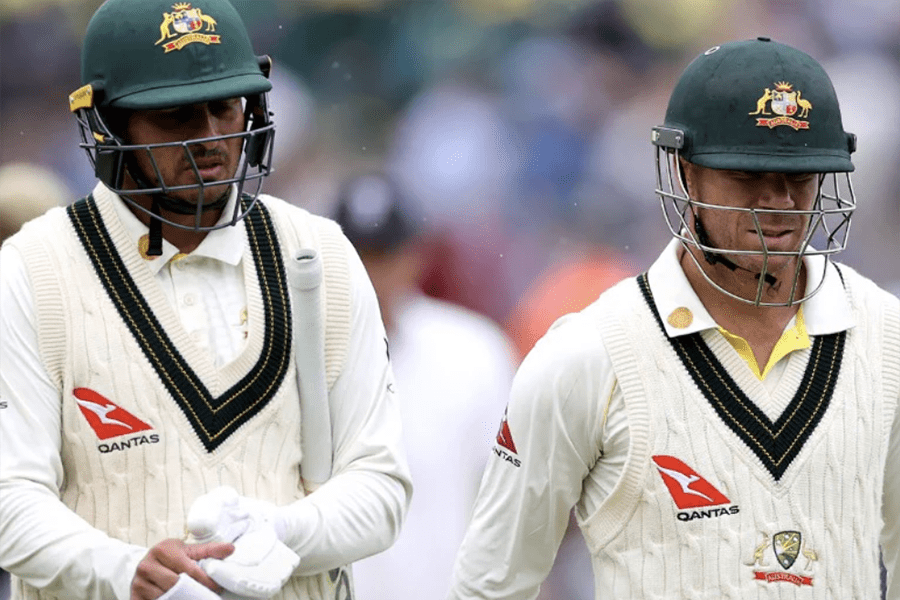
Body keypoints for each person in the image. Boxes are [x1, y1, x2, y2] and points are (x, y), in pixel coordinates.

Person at [448, 37, 899, 600]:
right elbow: (490, 584)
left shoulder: (887, 338)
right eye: (748, 175)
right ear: (687, 173)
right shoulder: (587, 357)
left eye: (802, 175)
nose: (781, 202)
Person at [0, 1, 411, 599]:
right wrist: (123, 570)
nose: (213, 137)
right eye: (176, 115)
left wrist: (280, 531)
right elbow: (10, 500)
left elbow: (381, 488)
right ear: (108, 124)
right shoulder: (32, 270)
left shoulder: (318, 253)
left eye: (226, 106)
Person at [330, 172, 518, 600]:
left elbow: (515, 506)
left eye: (385, 254)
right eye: (356, 254)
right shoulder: (291, 359)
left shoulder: (475, 353)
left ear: (415, 256)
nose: (371, 273)